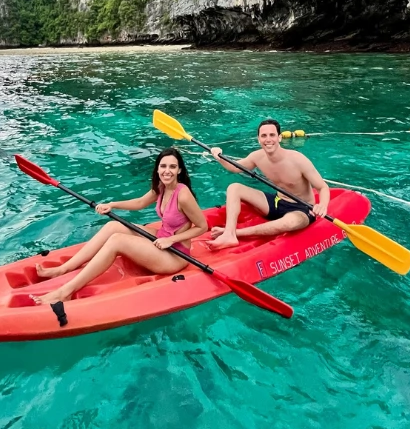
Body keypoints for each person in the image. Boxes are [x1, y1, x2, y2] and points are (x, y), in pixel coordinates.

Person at [30, 148, 208, 305]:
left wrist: (171, 240)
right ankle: (64, 269)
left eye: (172, 167)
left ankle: (65, 291)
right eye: (163, 166)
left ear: (179, 170)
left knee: (117, 241)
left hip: (176, 255)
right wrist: (112, 204)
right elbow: (139, 202)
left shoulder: (183, 195)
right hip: (161, 237)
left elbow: (202, 227)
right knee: (113, 226)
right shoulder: (162, 187)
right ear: (157, 168)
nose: (166, 171)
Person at [208, 119, 330, 249]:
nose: (268, 139)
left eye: (272, 135)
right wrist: (219, 156)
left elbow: (322, 187)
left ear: (280, 137)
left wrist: (322, 205)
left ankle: (235, 233)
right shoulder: (257, 156)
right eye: (264, 136)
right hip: (277, 202)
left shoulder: (298, 160)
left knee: (290, 223)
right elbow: (235, 168)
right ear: (259, 139)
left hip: (302, 209)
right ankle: (229, 233)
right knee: (234, 188)